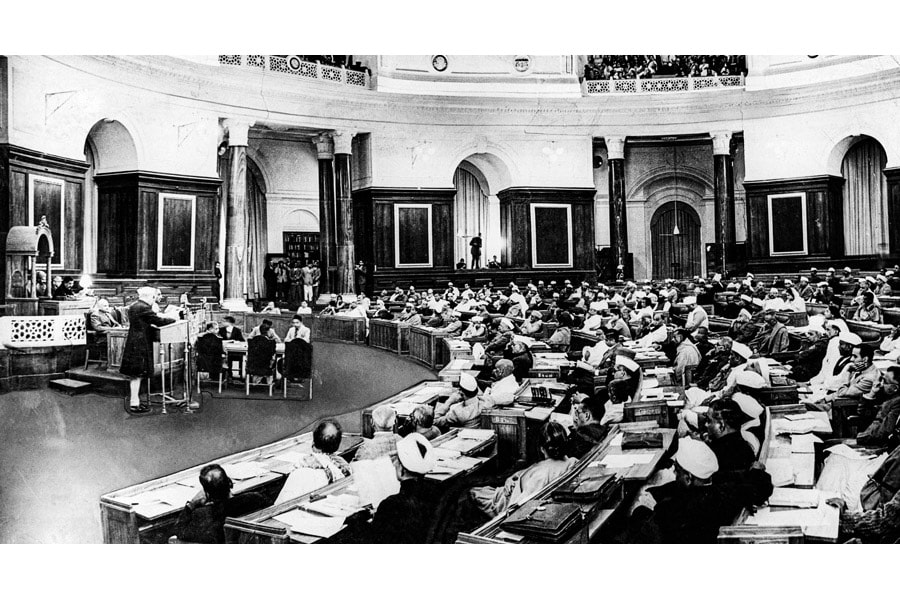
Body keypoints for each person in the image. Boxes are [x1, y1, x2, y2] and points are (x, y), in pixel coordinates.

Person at [625, 438, 772, 544]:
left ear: (688, 478)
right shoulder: (728, 492)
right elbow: (762, 483)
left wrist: (642, 509)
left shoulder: (669, 510)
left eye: (676, 471)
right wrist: (754, 470)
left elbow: (641, 538)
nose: (674, 473)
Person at [469, 422, 578, 518]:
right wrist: (512, 478)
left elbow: (517, 509)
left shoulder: (540, 476)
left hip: (509, 499)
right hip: (513, 487)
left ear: (541, 448)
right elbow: (527, 472)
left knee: (472, 492)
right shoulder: (572, 461)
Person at [361, 433, 440, 544]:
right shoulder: (434, 494)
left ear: (402, 470)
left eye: (396, 462)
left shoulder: (390, 505)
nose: (394, 465)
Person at [175, 464, 268, 544]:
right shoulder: (256, 498)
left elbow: (179, 530)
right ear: (230, 482)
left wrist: (191, 505)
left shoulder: (203, 515)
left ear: (207, 494)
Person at [119, 287, 175, 414]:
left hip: (135, 342)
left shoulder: (135, 306)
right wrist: (173, 319)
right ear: (149, 297)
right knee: (137, 375)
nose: (154, 299)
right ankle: (134, 404)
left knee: (136, 375)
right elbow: (158, 321)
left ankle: (135, 402)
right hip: (140, 344)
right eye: (154, 297)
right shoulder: (143, 307)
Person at [705, 399, 756, 474]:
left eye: (709, 421)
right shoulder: (746, 447)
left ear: (721, 426)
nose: (706, 425)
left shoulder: (713, 455)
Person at [857, 366, 900, 447]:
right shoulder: (884, 396)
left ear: (895, 388)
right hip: (866, 437)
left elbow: (884, 431)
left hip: (874, 444)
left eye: (885, 381)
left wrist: (859, 438)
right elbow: (863, 414)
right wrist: (872, 393)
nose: (880, 384)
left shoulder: (897, 403)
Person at [353, 405, 402, 470]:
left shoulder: (365, 449)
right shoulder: (405, 443)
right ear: (395, 421)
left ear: (372, 422)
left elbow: (354, 471)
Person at [566, 391, 609, 459]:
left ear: (586, 416)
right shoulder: (605, 429)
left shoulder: (580, 435)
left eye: (577, 413)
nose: (576, 417)